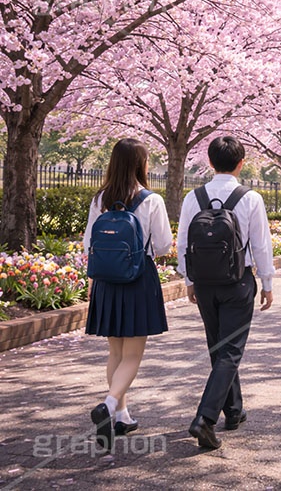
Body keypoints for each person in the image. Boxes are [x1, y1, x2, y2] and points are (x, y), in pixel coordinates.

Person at [176, 136, 275, 450]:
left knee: (219, 349)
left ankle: (234, 411)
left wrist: (189, 279)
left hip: (205, 283)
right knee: (230, 351)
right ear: (241, 163)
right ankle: (205, 418)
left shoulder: (194, 197)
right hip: (238, 282)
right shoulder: (250, 198)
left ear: (209, 162)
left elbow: (183, 242)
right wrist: (268, 284)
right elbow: (260, 246)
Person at [83, 138, 173, 451]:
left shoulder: (100, 199)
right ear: (141, 165)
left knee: (116, 353)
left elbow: (88, 245)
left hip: (106, 281)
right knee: (133, 355)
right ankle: (108, 406)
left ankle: (122, 415)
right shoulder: (151, 200)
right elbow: (162, 246)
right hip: (138, 280)